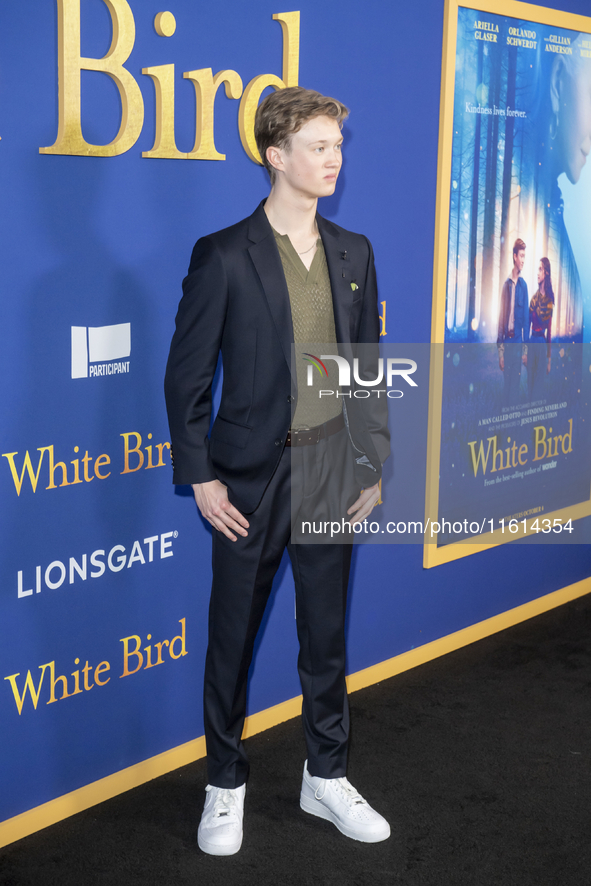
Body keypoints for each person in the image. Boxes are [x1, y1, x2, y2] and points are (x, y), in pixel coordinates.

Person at [164, 87, 391, 856]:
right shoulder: (223, 253)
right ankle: (223, 785)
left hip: (331, 469)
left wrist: (371, 461)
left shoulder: (354, 251)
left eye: (337, 147)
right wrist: (201, 476)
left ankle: (324, 776)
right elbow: (186, 378)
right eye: (320, 146)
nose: (334, 159)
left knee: (324, 638)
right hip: (247, 483)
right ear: (276, 154)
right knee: (232, 639)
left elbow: (364, 365)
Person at [497, 238, 528, 405]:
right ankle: (504, 427)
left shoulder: (524, 287)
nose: (523, 260)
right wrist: (500, 353)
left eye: (525, 257)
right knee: (506, 388)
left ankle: (513, 428)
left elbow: (526, 323)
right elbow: (501, 320)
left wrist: (525, 351)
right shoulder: (505, 286)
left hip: (517, 344)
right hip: (507, 344)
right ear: (514, 256)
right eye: (521, 256)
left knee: (515, 389)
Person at [527, 257, 554, 402]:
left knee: (538, 386)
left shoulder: (549, 301)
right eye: (537, 269)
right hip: (532, 342)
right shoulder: (533, 299)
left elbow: (549, 332)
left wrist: (549, 360)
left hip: (542, 345)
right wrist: (525, 351)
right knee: (529, 384)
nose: (538, 273)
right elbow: (527, 325)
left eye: (540, 269)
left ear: (546, 273)